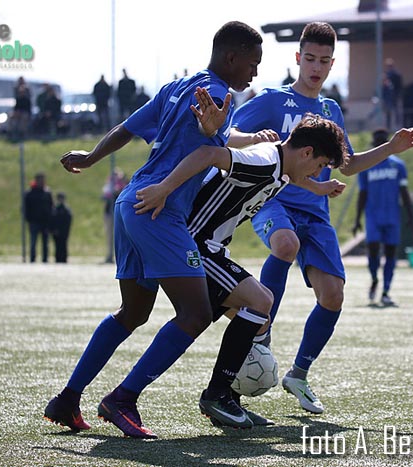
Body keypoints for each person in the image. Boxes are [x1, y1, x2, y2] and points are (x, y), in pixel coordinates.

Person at [43, 21, 264, 438]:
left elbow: (129, 128)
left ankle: (68, 399)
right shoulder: (218, 94)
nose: (254, 73)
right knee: (196, 313)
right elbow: (206, 136)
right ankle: (122, 399)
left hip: (132, 201)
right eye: (252, 64)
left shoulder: (178, 86)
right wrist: (212, 130)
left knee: (134, 312)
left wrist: (91, 158)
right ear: (231, 58)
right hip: (158, 208)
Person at [229, 21, 413, 414]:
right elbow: (228, 132)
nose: (316, 67)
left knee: (333, 296)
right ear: (299, 58)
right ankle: (260, 334)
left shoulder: (331, 110)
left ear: (332, 64)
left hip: (316, 211)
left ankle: (298, 374)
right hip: (274, 199)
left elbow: (346, 165)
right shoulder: (271, 101)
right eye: (310, 59)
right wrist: (251, 142)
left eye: (324, 61)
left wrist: (390, 147)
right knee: (285, 243)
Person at [135, 113, 347, 428]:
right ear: (306, 153)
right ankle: (217, 395)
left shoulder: (283, 168)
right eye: (320, 165)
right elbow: (207, 154)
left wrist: (319, 188)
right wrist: (163, 188)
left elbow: (296, 178)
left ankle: (220, 398)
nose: (317, 172)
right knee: (260, 302)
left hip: (209, 247)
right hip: (195, 244)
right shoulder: (263, 160)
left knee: (233, 320)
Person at [353, 128, 413, 306]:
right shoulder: (366, 166)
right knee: (373, 251)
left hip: (392, 217)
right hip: (373, 217)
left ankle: (386, 290)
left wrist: (411, 216)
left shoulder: (398, 165)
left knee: (390, 254)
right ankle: (374, 279)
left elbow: (404, 192)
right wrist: (357, 218)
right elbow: (362, 194)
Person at [24, 172, 53, 263]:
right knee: (33, 242)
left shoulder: (47, 192)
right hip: (34, 221)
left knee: (45, 243)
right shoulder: (30, 193)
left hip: (45, 222)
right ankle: (32, 259)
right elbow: (26, 207)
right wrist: (28, 218)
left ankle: (45, 259)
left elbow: (51, 206)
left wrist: (50, 219)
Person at [102, 167, 128, 263]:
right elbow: (105, 196)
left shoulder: (124, 184)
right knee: (110, 235)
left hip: (120, 213)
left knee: (122, 236)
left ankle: (122, 256)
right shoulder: (109, 185)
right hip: (109, 212)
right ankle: (110, 255)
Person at [52, 192, 72, 263]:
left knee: (63, 246)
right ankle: (57, 259)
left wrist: (65, 231)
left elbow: (68, 222)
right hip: (57, 232)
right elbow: (53, 220)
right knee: (57, 247)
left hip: (64, 232)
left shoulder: (66, 210)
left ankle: (64, 259)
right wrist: (54, 229)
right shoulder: (55, 209)